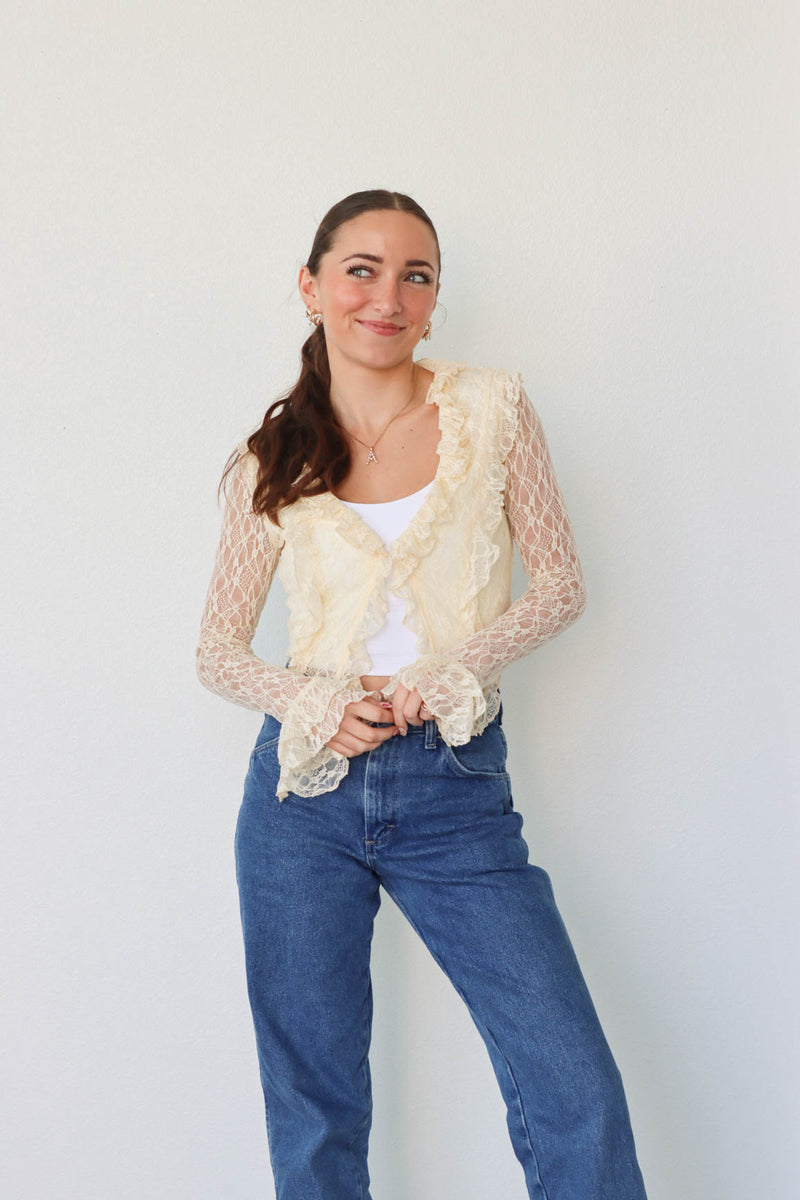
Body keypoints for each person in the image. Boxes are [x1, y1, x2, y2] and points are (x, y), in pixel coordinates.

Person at [196, 189, 648, 1200]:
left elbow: (561, 583)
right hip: (301, 799)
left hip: (451, 787)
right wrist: (313, 701)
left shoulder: (490, 408)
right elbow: (217, 653)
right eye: (360, 269)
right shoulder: (274, 458)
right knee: (313, 1109)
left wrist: (449, 671)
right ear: (311, 287)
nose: (386, 296)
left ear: (434, 301)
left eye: (414, 275)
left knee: (570, 1084)